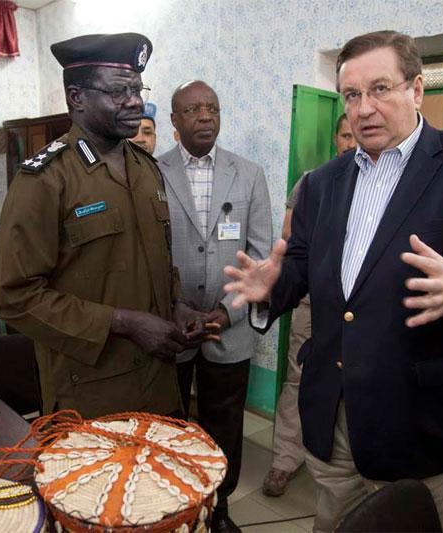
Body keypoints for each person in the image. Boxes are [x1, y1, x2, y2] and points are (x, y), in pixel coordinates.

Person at [223, 30, 443, 532]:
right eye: (352, 95)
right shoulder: (321, 184)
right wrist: (275, 285)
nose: (364, 108)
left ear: (416, 89)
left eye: (380, 89)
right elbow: (304, 263)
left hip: (428, 428)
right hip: (336, 420)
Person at [0, 33, 210, 419]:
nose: (135, 102)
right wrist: (123, 323)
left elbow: (153, 261)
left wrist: (176, 306)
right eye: (118, 91)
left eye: (137, 89)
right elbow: (16, 297)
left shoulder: (146, 170)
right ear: (77, 97)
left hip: (159, 384)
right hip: (91, 394)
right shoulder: (46, 179)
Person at [156, 80, 272, 533]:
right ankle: (172, 508)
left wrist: (227, 311)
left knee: (224, 425)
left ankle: (219, 510)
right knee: (169, 423)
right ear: (174, 120)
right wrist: (174, 306)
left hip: (231, 327)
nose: (205, 116)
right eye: (193, 109)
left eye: (213, 108)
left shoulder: (249, 174)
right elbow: (147, 253)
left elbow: (259, 256)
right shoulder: (151, 171)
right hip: (171, 326)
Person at [263, 114, 357, 497]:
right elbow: (290, 233)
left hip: (359, 307)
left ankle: (343, 463)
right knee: (299, 375)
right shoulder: (314, 181)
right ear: (336, 139)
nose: (351, 142)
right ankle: (285, 459)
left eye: (356, 136)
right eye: (345, 135)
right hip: (313, 300)